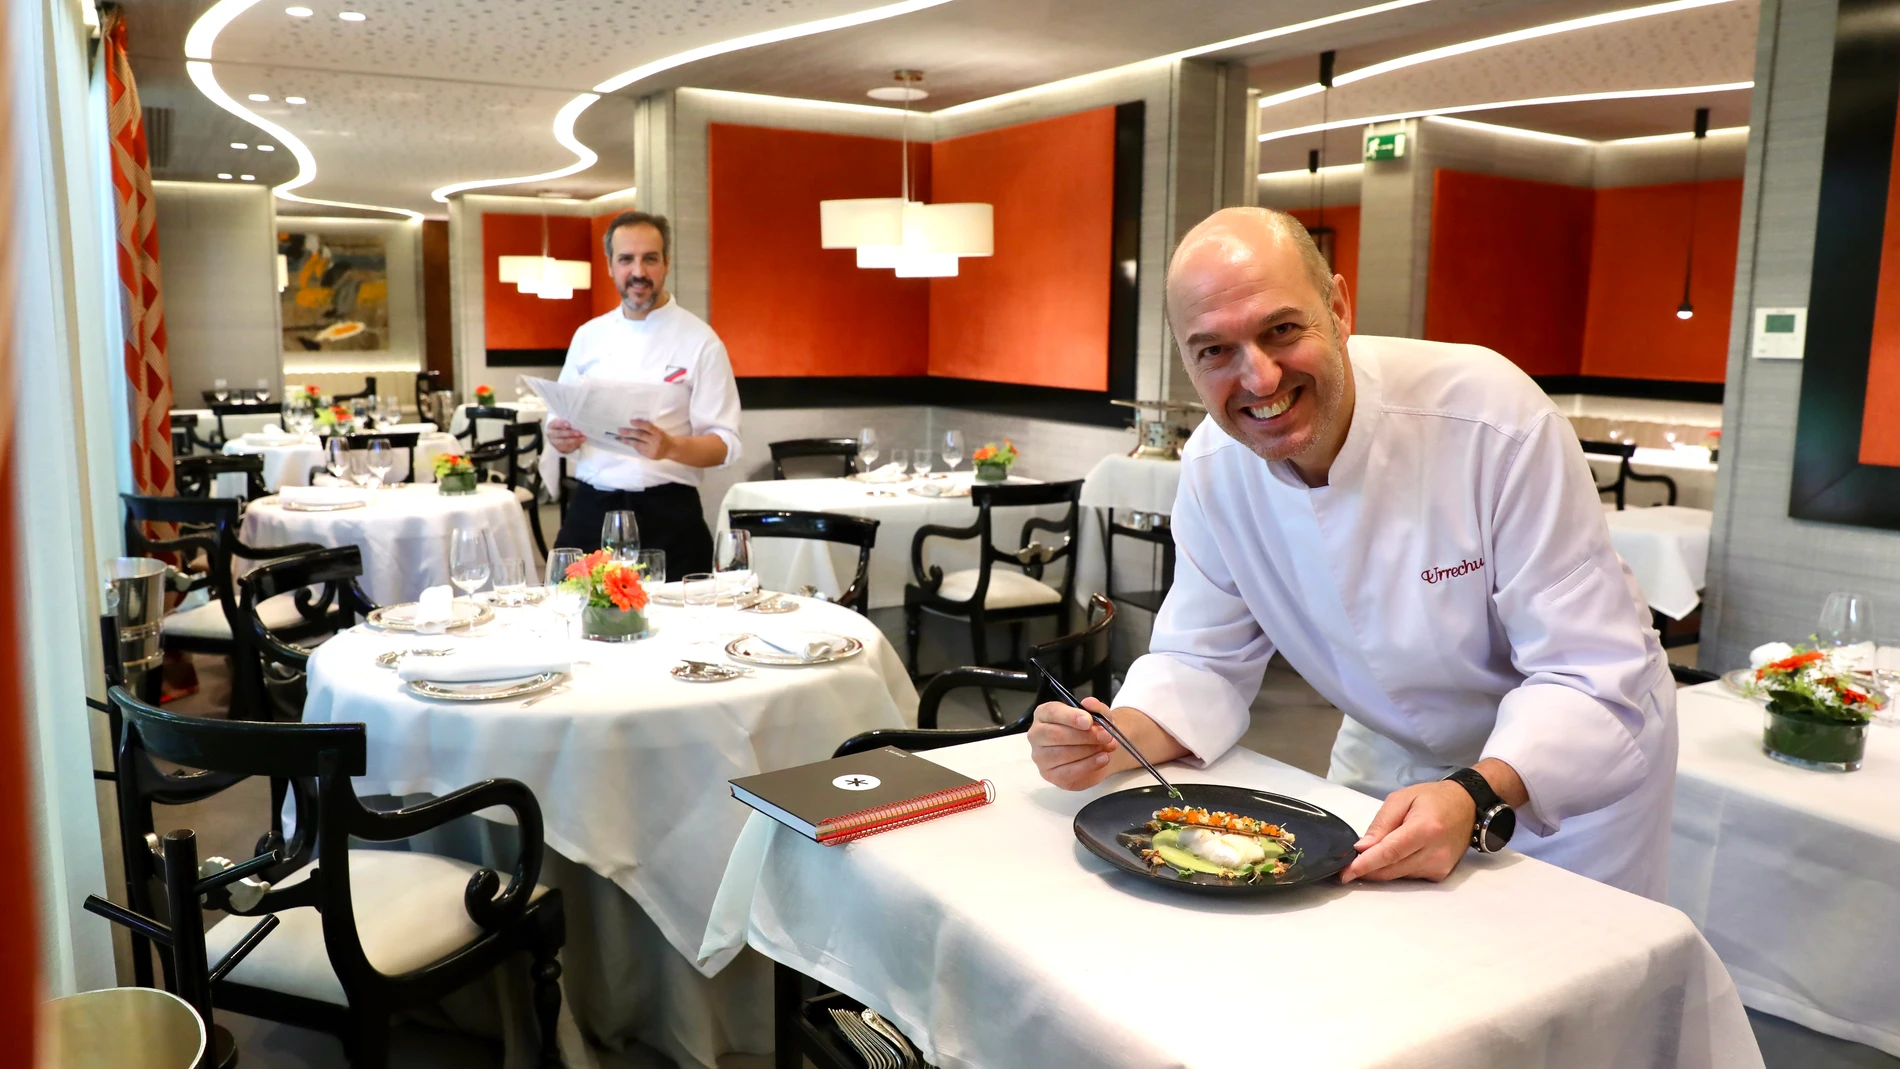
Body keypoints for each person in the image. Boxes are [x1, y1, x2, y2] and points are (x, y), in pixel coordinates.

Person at [1028, 207, 1677, 898]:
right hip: (1390, 752)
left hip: (1565, 775)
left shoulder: (1492, 420)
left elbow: (1587, 673)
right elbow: (1200, 661)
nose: (1260, 378)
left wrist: (1472, 794)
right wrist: (1107, 739)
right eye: (1213, 350)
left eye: (1281, 330)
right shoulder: (1216, 465)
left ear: (1337, 306)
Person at [544, 211, 740, 575]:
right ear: (610, 266)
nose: (639, 272)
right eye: (626, 260)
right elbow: (560, 414)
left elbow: (725, 443)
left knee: (684, 629)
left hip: (669, 515)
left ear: (666, 262)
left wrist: (671, 447)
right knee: (571, 619)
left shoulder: (702, 341)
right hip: (590, 509)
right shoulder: (588, 335)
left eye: (650, 258)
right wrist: (559, 434)